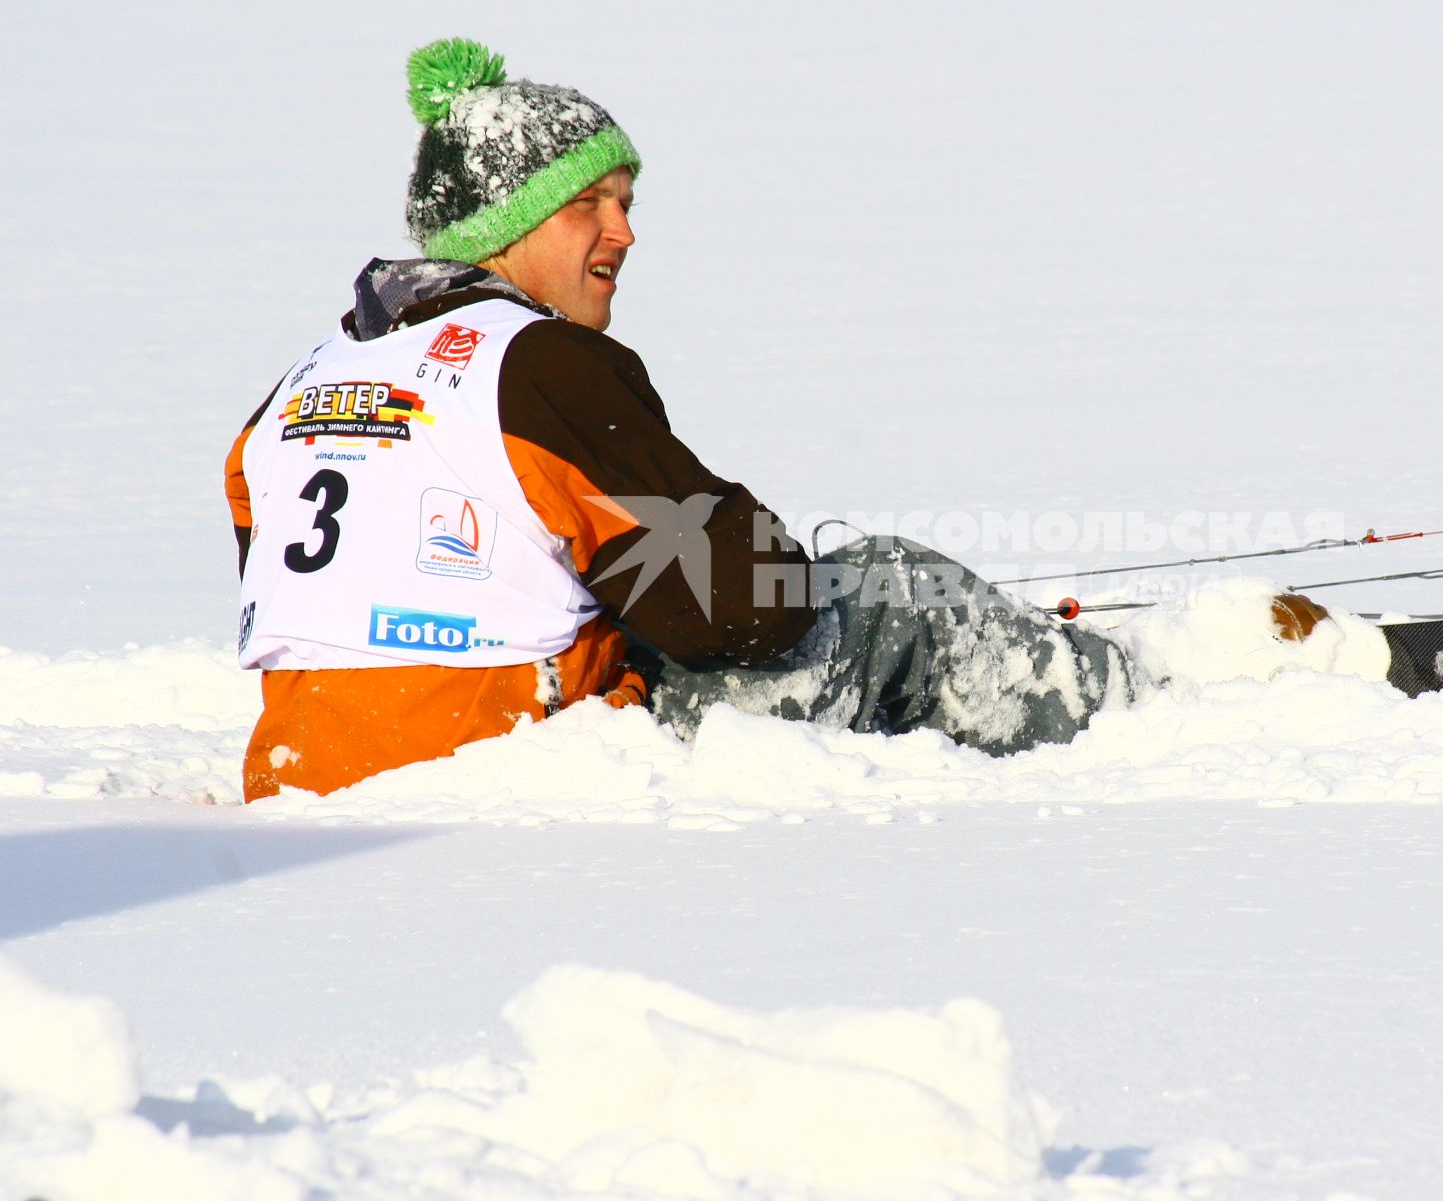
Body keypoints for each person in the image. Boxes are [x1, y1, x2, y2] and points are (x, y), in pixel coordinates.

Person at [226, 39, 1244, 800]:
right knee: (892, 591)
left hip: (301, 766)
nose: (625, 231)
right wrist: (766, 550)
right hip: (499, 764)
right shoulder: (542, 368)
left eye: (627, 201)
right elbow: (735, 608)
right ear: (512, 220)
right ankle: (1166, 712)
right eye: (595, 204)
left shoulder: (301, 383)